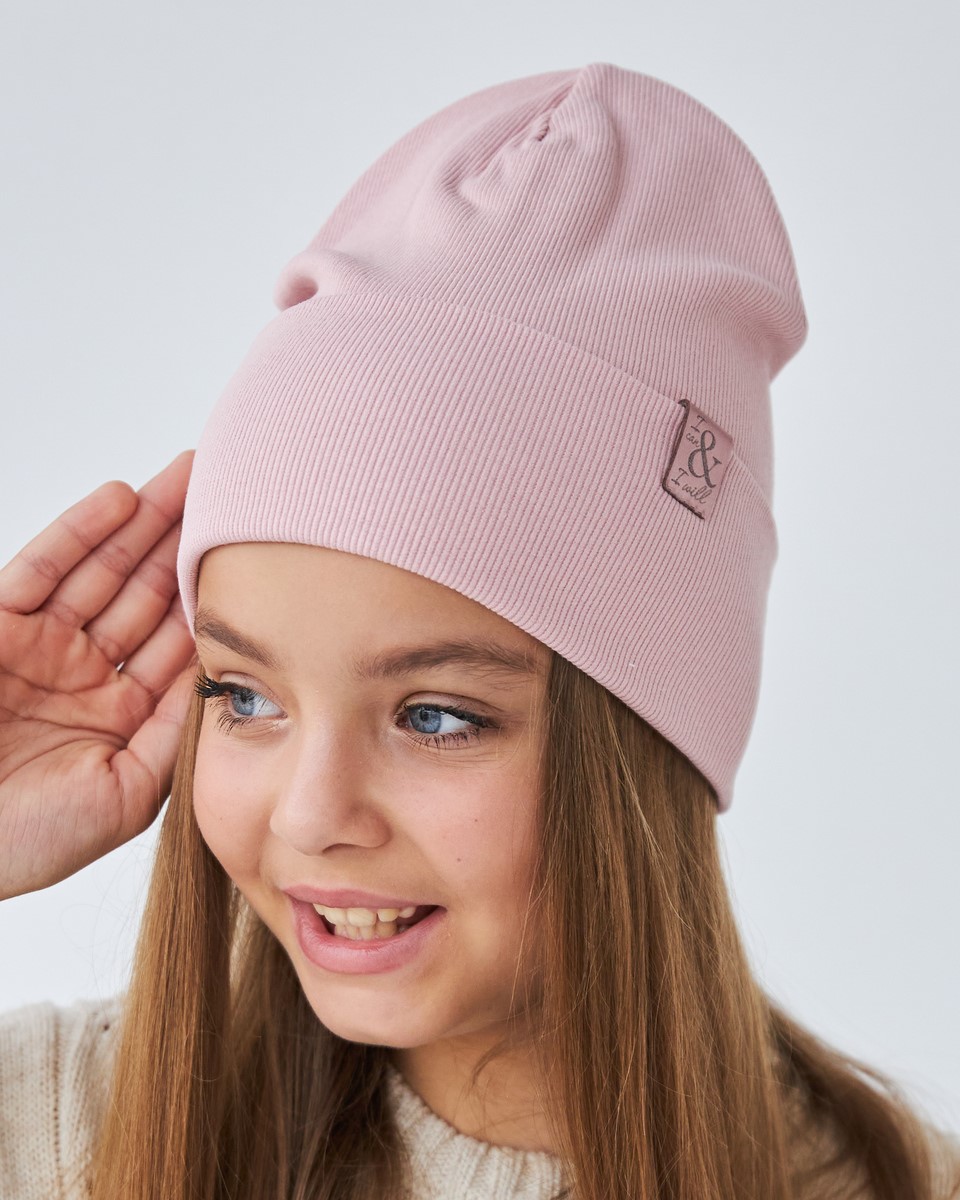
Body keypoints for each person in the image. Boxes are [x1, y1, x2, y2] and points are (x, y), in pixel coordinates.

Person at [0, 61, 957, 1200]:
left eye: (437, 718)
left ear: (651, 735)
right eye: (244, 697)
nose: (310, 816)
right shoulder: (53, 1130)